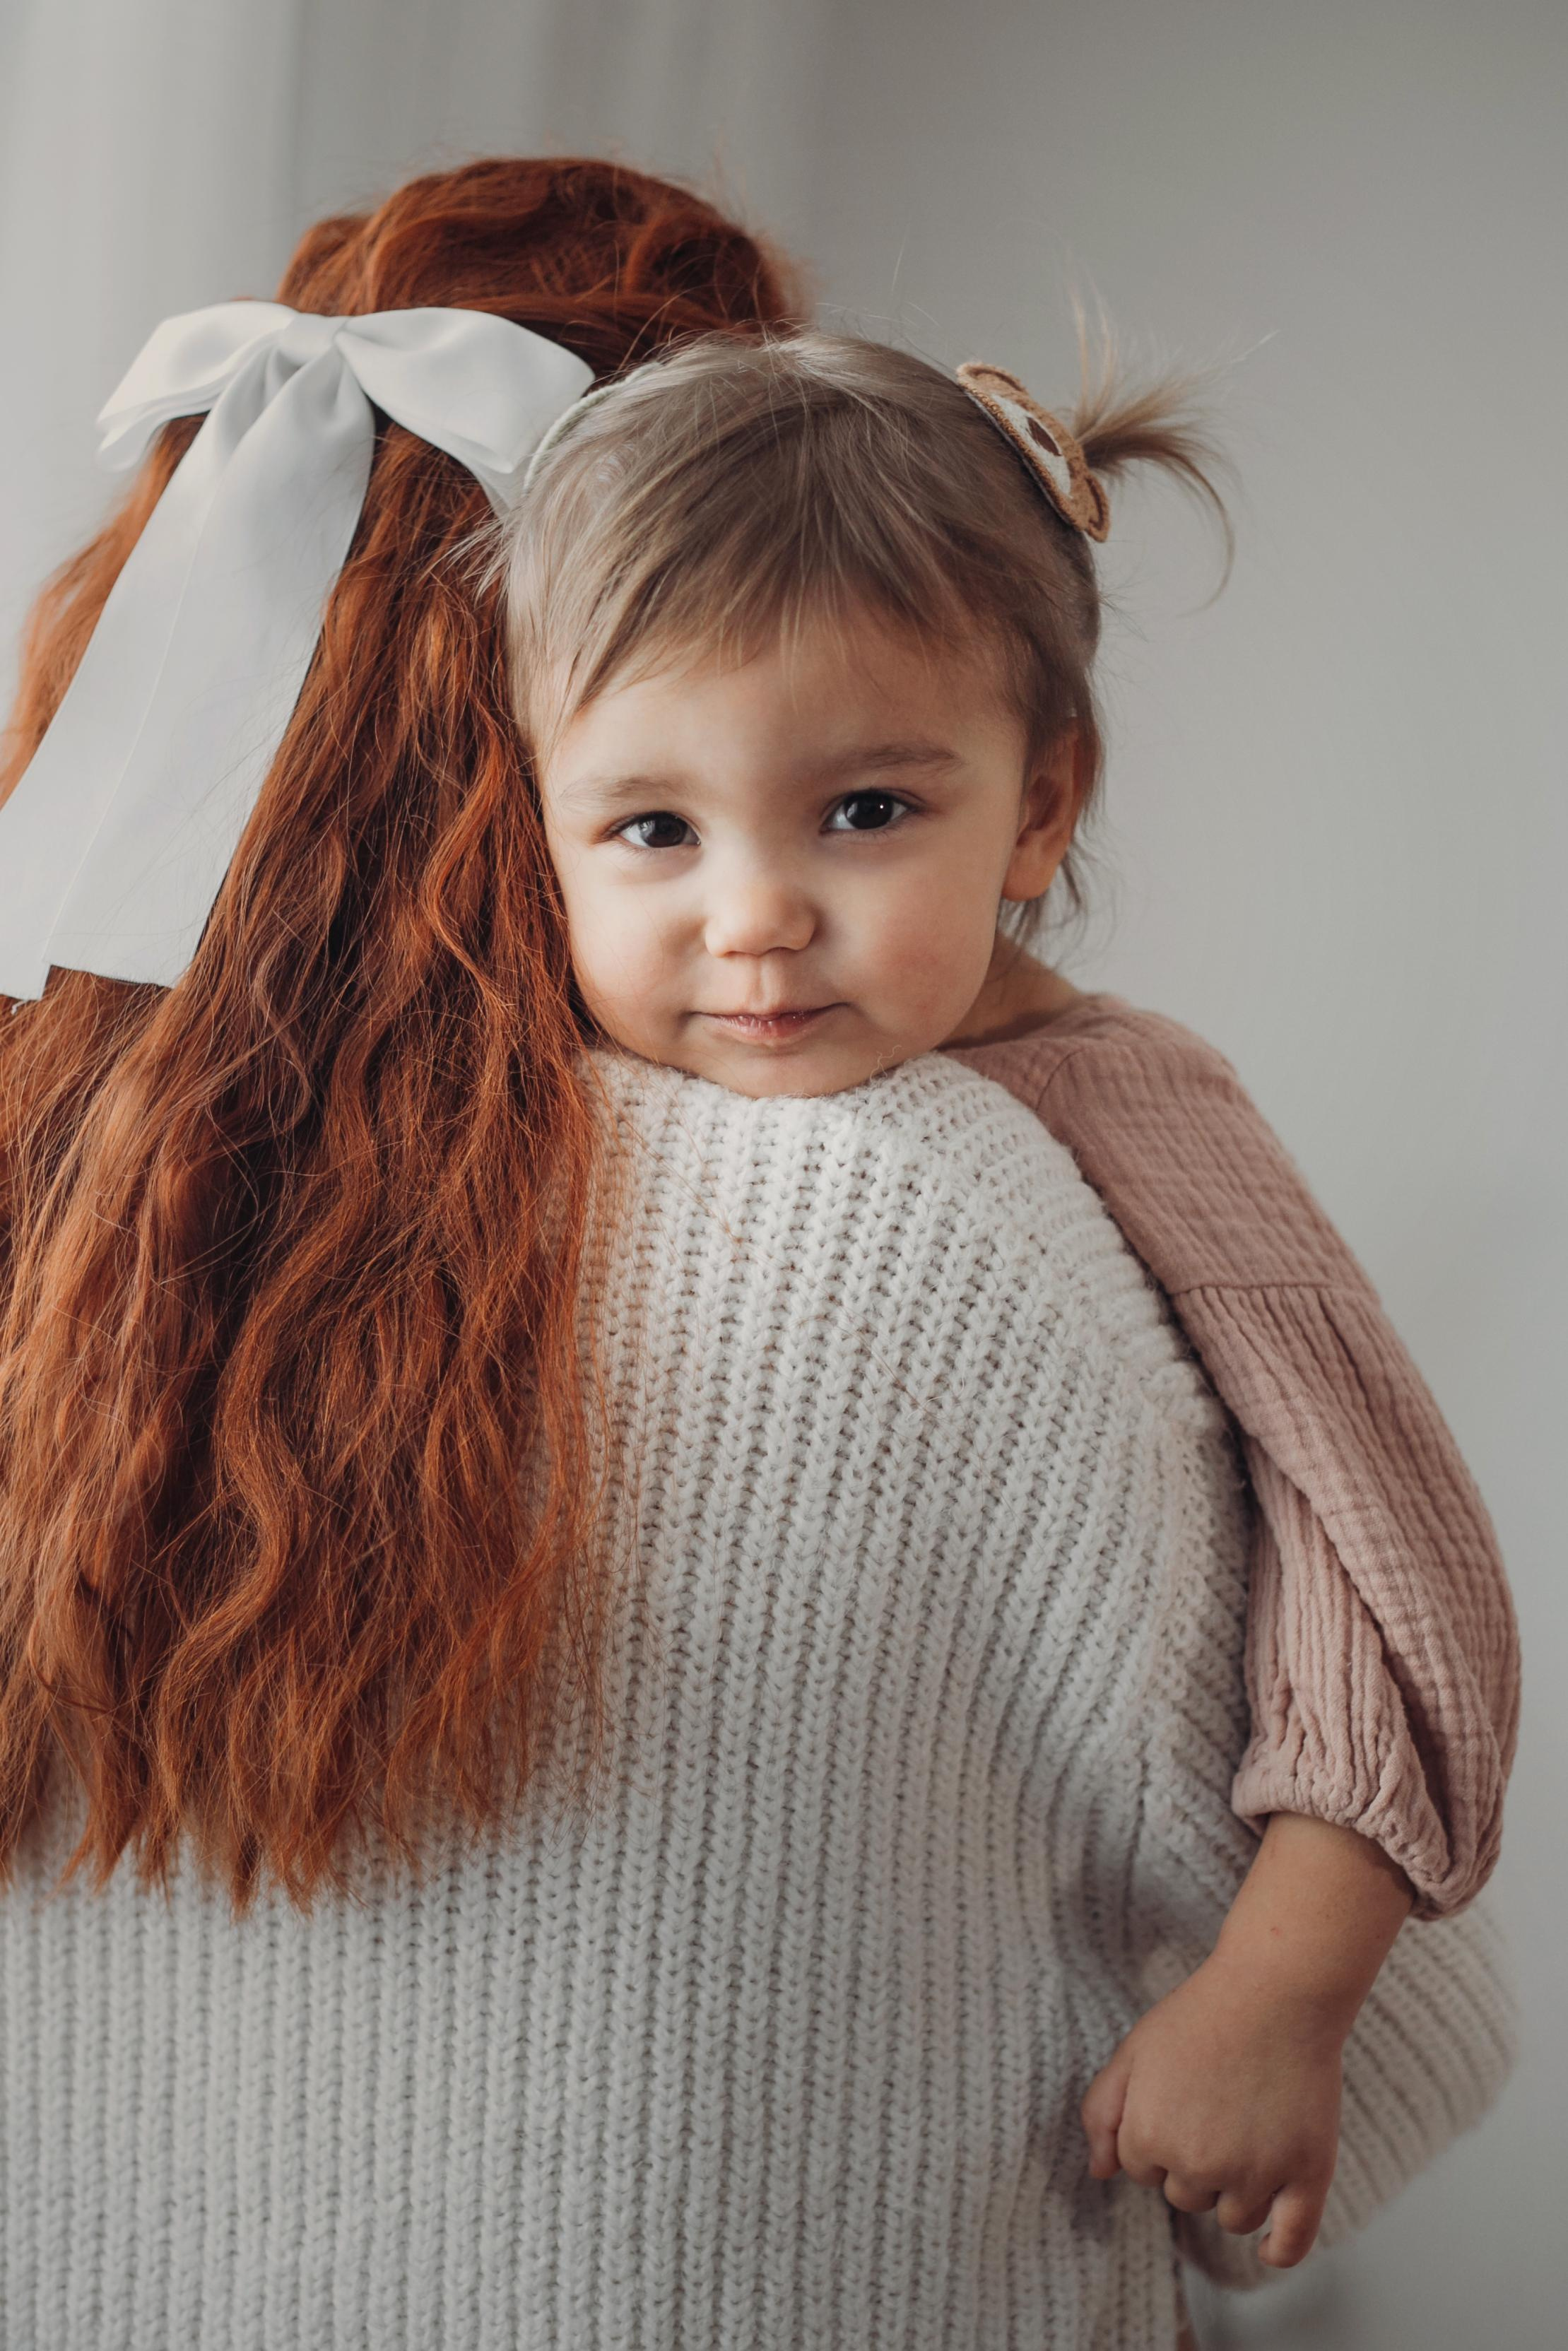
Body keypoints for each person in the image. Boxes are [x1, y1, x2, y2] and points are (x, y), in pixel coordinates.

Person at [0, 157, 1515, 2350]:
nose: (756, 918)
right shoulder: (917, 1213)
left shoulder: (65, 1217)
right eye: (653, 823)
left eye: (862, 807)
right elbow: (1390, 2072)